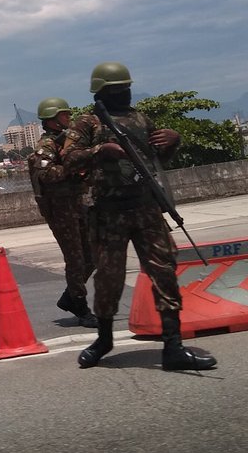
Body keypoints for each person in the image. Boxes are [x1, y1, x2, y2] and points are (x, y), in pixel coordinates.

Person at [62, 63, 217, 373]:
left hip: (145, 208)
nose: (124, 93)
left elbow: (154, 159)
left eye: (126, 88)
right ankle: (103, 339)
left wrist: (174, 141)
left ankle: (173, 345)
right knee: (108, 278)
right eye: (117, 89)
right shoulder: (88, 123)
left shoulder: (141, 119)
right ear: (102, 92)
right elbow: (67, 158)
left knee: (164, 272)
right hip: (108, 213)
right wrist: (100, 151)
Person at [28, 97, 96, 326]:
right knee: (76, 259)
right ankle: (79, 304)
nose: (69, 118)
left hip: (76, 205)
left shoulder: (66, 141)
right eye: (65, 115)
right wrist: (70, 169)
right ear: (53, 119)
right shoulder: (46, 145)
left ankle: (69, 296)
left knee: (92, 256)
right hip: (60, 210)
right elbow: (45, 174)